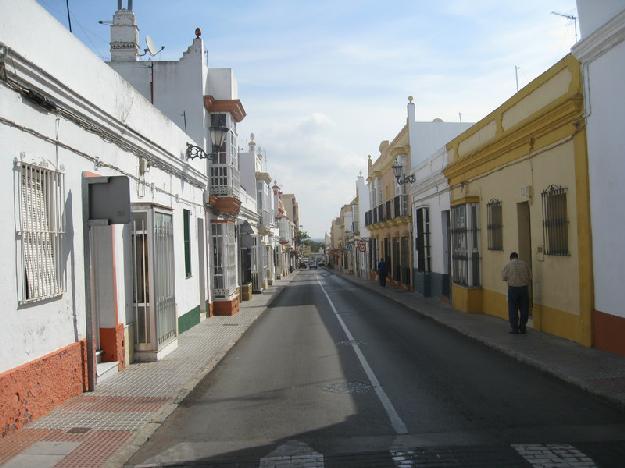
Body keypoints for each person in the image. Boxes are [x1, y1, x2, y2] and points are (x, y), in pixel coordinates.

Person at [502, 252, 532, 334]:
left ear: (511, 258)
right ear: (517, 257)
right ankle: (523, 327)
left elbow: (504, 277)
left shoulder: (508, 265)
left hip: (513, 289)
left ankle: (514, 328)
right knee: (524, 308)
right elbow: (530, 276)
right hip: (524, 289)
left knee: (512, 309)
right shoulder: (525, 264)